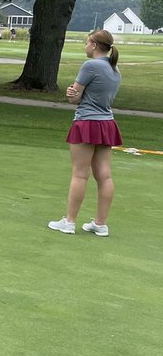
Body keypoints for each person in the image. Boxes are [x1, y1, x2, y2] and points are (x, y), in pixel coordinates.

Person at [48, 30, 122, 236]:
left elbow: (74, 96)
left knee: (80, 174)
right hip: (106, 123)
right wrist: (76, 94)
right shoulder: (115, 69)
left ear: (95, 45)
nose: (85, 46)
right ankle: (100, 224)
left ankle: (69, 222)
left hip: (87, 122)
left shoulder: (90, 65)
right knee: (104, 175)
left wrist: (71, 93)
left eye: (87, 42)